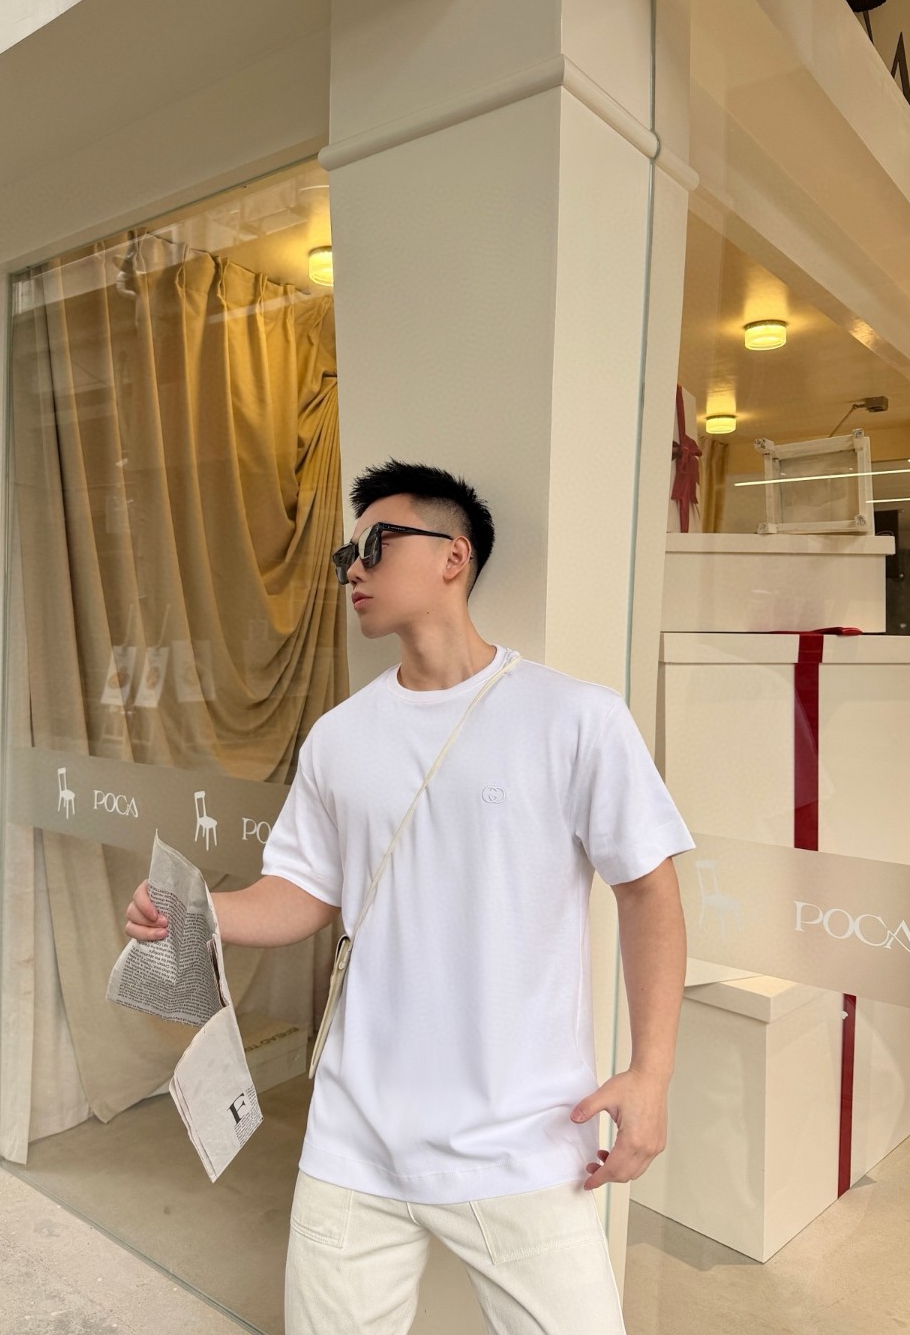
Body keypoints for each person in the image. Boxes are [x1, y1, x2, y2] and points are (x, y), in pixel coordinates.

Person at [126, 460, 692, 1334]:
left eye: (377, 545)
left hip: (525, 1138)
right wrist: (198, 914)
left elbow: (649, 893)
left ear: (453, 557)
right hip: (355, 1139)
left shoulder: (574, 717)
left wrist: (651, 1073)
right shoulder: (339, 737)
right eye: (346, 555)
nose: (353, 569)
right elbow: (304, 892)